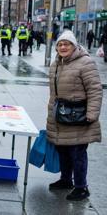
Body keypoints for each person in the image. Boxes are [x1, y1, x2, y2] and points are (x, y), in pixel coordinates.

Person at [46, 30, 103, 201]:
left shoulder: (85, 63)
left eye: (67, 44)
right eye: (60, 44)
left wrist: (92, 113)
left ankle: (81, 187)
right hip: (61, 115)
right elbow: (53, 93)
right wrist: (51, 112)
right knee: (62, 149)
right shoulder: (56, 63)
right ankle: (66, 180)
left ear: (74, 46)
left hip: (79, 117)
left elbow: (95, 90)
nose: (63, 47)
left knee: (77, 153)